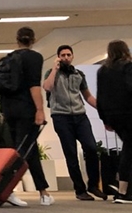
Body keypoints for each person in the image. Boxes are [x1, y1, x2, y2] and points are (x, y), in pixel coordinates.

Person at [42, 45, 105, 201]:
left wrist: (104, 108)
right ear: (58, 57)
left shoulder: (79, 74)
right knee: (71, 153)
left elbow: (88, 97)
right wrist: (55, 68)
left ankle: (93, 185)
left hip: (80, 116)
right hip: (61, 117)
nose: (66, 57)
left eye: (68, 54)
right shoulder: (51, 73)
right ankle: (80, 190)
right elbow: (47, 87)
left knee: (91, 148)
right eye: (62, 55)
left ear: (72, 56)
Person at [0, 26, 52, 206]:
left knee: (29, 150)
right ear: (33, 40)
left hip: (9, 109)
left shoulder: (9, 57)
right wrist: (40, 109)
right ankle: (7, 189)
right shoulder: (34, 57)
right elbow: (34, 86)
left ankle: (44, 192)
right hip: (26, 109)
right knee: (22, 152)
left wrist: (2, 112)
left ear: (17, 39)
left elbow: (3, 89)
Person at [96, 40, 132, 204]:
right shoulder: (128, 67)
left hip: (113, 116)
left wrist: (104, 119)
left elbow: (100, 97)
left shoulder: (103, 70)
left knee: (128, 148)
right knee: (129, 150)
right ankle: (124, 190)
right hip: (128, 113)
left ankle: (123, 186)